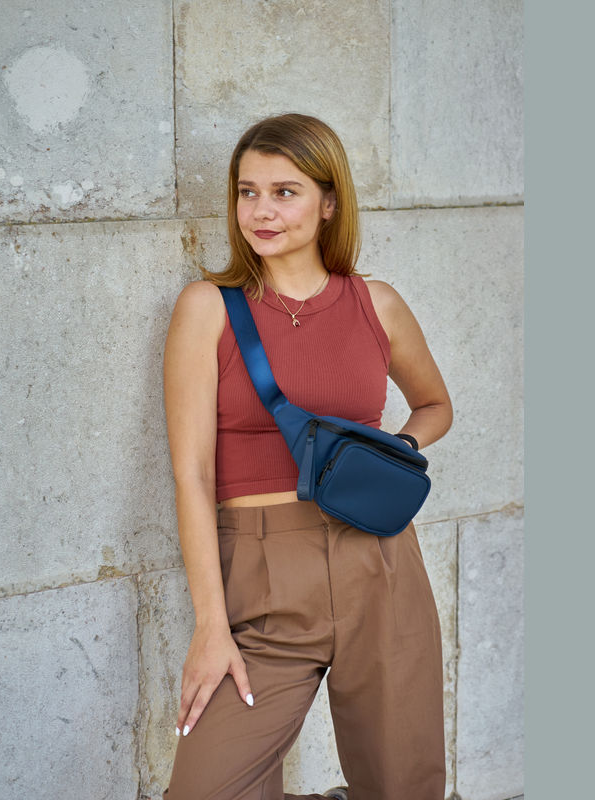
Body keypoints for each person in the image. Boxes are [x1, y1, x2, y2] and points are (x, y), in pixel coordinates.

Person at [162, 113, 452, 800]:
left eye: (284, 192)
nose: (260, 211)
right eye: (247, 192)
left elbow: (435, 405)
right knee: (208, 789)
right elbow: (192, 475)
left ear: (328, 203)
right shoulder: (207, 308)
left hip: (381, 563)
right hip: (260, 575)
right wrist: (211, 625)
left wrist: (391, 452)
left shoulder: (376, 304)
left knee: (402, 786)